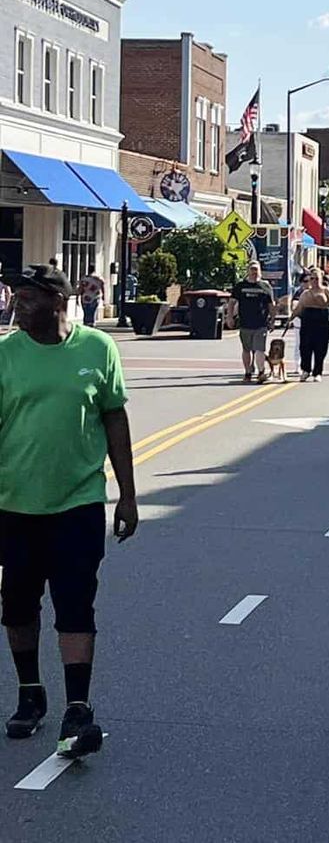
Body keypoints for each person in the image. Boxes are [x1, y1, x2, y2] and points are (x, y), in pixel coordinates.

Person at [0, 265, 137, 758]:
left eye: (28, 297)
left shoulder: (98, 349)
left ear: (58, 301)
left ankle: (77, 705)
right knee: (16, 605)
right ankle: (29, 692)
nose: (17, 304)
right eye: (16, 296)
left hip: (78, 502)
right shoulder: (5, 355)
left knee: (76, 604)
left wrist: (127, 493)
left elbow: (114, 418)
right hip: (13, 503)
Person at [227, 261, 276, 383]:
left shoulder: (265, 286)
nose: (254, 272)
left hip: (261, 324)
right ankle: (248, 372)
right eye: (252, 269)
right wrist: (229, 317)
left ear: (260, 271)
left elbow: (271, 305)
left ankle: (261, 372)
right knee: (246, 349)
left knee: (260, 349)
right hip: (245, 323)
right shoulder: (240, 286)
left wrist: (272, 319)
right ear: (248, 271)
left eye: (256, 269)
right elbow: (232, 302)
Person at [288, 268, 329, 381]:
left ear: (321, 279)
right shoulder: (305, 293)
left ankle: (317, 372)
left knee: (320, 348)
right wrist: (291, 318)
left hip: (322, 320)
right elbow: (299, 308)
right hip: (307, 320)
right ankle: (306, 370)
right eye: (312, 278)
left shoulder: (326, 291)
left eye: (316, 278)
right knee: (305, 347)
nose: (314, 281)